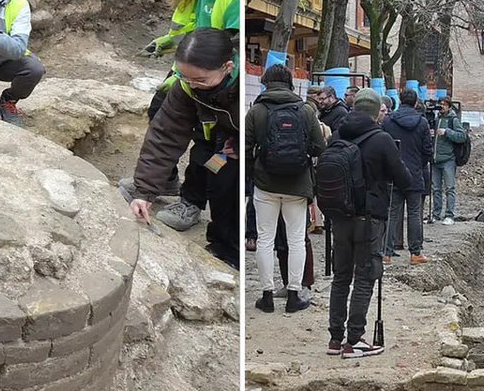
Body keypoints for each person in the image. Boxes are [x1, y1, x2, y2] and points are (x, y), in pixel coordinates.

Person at [133, 0, 241, 231]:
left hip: (217, 87)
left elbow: (229, 41)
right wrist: (143, 192)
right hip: (200, 73)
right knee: (162, 116)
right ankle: (160, 184)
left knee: (210, 157)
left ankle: (193, 203)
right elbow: (164, 138)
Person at [128, 28, 239, 268]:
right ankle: (217, 244)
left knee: (228, 187)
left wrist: (245, 145)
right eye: (184, 76)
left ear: (227, 67)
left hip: (242, 146)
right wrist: (144, 193)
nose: (192, 85)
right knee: (205, 167)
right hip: (215, 139)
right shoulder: (186, 86)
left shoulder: (244, 86)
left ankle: (233, 252)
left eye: (200, 80)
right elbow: (164, 136)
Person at [326, 89, 410, 358]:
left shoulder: (337, 135)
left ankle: (335, 339)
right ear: (376, 113)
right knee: (365, 276)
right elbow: (403, 178)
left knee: (341, 278)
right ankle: (355, 339)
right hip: (370, 218)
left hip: (339, 216)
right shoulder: (381, 139)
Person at [246, 64, 325, 313]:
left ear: (266, 82)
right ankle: (294, 294)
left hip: (265, 185)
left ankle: (267, 296)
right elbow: (320, 147)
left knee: (265, 239)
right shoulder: (305, 110)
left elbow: (245, 149)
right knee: (296, 240)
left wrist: (257, 170)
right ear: (290, 83)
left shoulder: (256, 110)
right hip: (298, 184)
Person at [382, 88, 432, 264]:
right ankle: (415, 253)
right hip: (415, 174)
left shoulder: (388, 121)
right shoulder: (423, 122)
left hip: (394, 174)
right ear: (416, 102)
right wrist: (418, 164)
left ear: (399, 100)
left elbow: (384, 146)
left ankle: (386, 254)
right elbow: (428, 150)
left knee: (392, 214)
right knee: (414, 214)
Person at [430, 97, 468, 225]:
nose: (442, 107)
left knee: (449, 188)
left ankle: (449, 215)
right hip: (435, 159)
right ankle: (436, 214)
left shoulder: (453, 120)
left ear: (449, 106)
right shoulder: (435, 119)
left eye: (444, 105)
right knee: (436, 188)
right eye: (440, 104)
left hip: (448, 159)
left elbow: (462, 136)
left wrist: (447, 132)